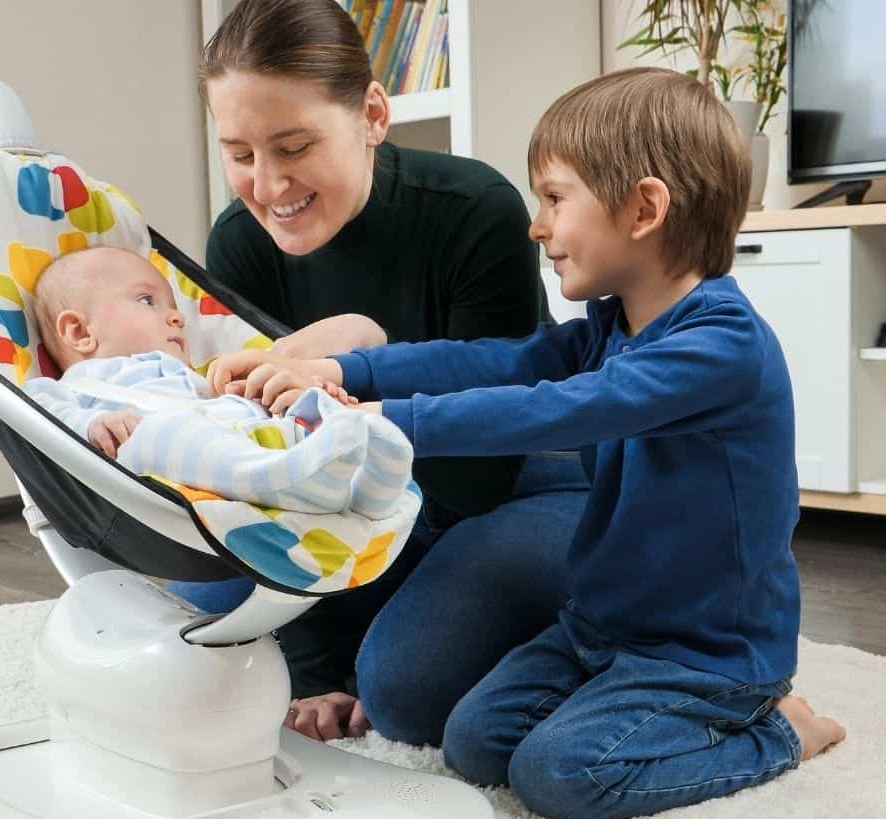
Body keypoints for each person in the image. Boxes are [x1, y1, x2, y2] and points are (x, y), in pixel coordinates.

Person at [208, 67, 845, 819]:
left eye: (554, 198)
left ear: (644, 208)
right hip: (603, 628)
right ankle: (620, 702)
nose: (538, 226)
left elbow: (559, 410)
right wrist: (345, 368)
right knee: (473, 745)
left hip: (705, 652)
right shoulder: (611, 326)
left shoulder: (719, 344)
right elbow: (497, 358)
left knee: (560, 778)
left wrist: (382, 419)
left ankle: (778, 733)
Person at [183, 0, 590, 741]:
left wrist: (353, 363)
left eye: (294, 146)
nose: (269, 187)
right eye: (240, 155)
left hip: (509, 484)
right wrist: (304, 672)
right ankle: (366, 625)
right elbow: (258, 468)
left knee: (406, 692)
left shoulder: (474, 212)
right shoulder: (240, 244)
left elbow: (477, 478)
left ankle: (596, 650)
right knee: (190, 587)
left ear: (372, 115)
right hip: (359, 500)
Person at [24, 246, 412, 517]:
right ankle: (301, 480)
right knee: (166, 432)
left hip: (246, 439)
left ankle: (366, 481)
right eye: (147, 301)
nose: (177, 318)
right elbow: (38, 416)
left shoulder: (195, 377)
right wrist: (91, 426)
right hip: (159, 467)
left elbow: (238, 410)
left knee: (304, 404)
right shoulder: (76, 386)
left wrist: (279, 398)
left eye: (176, 308)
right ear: (79, 331)